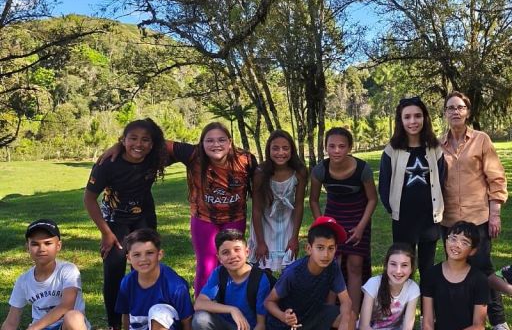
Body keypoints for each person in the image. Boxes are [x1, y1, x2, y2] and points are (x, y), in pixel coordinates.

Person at [101, 122, 258, 295]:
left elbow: (260, 188)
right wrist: (120, 145)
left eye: (221, 140)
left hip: (234, 218)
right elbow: (155, 140)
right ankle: (202, 306)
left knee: (233, 262)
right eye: (209, 140)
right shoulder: (193, 154)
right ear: (201, 143)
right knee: (207, 265)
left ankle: (233, 301)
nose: (216, 145)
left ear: (230, 142)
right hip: (204, 218)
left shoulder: (246, 160)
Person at [84, 117, 168, 330]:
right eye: (133, 138)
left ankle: (143, 322)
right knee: (114, 268)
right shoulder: (108, 163)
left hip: (144, 219)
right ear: (123, 139)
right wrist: (106, 233)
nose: (139, 144)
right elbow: (89, 199)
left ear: (152, 143)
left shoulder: (154, 156)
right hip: (115, 222)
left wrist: (122, 143)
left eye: (145, 140)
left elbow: (177, 148)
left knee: (145, 267)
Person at [440, 91, 512, 330]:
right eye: (450, 108)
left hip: (478, 217)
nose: (455, 112)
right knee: (454, 269)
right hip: (448, 220)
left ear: (468, 112)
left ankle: (498, 320)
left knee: (482, 268)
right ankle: (462, 320)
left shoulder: (481, 140)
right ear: (445, 113)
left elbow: (496, 178)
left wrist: (495, 214)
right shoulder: (438, 145)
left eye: (460, 107)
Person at [114, 228, 205, 330]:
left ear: (159, 254)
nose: (143, 259)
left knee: (157, 311)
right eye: (137, 255)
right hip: (141, 329)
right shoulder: (127, 283)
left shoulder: (174, 284)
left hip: (170, 327)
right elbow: (125, 316)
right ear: (128, 258)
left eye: (149, 253)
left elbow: (187, 324)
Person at [193, 229, 275, 330]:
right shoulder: (219, 273)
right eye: (225, 252)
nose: (232, 256)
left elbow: (262, 323)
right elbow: (199, 303)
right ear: (219, 258)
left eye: (237, 250)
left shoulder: (260, 279)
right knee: (200, 319)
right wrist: (232, 309)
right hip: (223, 328)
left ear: (247, 252)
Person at [378, 96, 445, 284]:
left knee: (427, 267)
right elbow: (384, 185)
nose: (413, 121)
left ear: (425, 118)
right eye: (407, 117)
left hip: (429, 219)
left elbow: (441, 179)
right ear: (400, 120)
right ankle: (404, 303)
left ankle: (427, 303)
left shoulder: (434, 148)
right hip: (403, 219)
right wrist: (393, 208)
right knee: (403, 266)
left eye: (418, 116)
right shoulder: (392, 150)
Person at [309, 127, 377, 315]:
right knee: (332, 264)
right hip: (333, 218)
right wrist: (322, 224)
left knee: (355, 265)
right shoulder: (320, 170)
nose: (336, 150)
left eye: (342, 146)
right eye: (332, 146)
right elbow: (313, 200)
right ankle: (329, 314)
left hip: (358, 218)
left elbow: (373, 199)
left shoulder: (362, 169)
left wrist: (361, 227)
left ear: (349, 148)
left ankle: (352, 315)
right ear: (326, 147)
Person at [249, 129, 307, 274]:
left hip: (288, 222)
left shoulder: (299, 172)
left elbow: (299, 205)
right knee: (264, 266)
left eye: (285, 148)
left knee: (288, 268)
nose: (280, 153)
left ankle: (284, 289)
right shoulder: (260, 173)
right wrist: (260, 242)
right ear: (268, 150)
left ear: (291, 150)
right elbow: (256, 209)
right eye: (275, 148)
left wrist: (294, 237)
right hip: (265, 223)